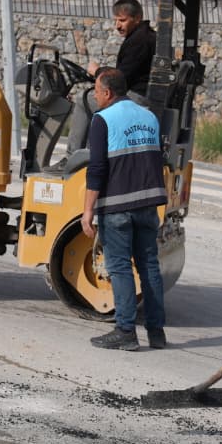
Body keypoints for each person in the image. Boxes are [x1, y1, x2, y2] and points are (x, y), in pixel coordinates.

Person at [82, 68, 167, 352]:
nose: (94, 95)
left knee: (119, 268)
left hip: (118, 207)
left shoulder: (102, 120)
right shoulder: (149, 116)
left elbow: (96, 169)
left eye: (96, 91)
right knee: (149, 266)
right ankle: (156, 332)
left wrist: (87, 211)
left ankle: (125, 331)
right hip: (147, 205)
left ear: (107, 93)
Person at [67, 0, 158, 156]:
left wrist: (97, 71)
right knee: (94, 97)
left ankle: (72, 157)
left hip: (136, 98)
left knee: (83, 100)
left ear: (137, 18)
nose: (118, 25)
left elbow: (121, 79)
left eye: (122, 20)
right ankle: (86, 153)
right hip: (139, 95)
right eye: (116, 20)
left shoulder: (139, 41)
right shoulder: (144, 36)